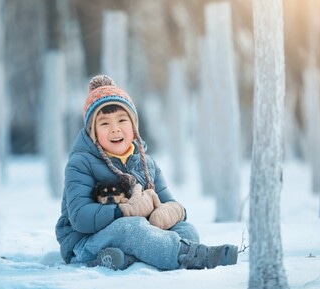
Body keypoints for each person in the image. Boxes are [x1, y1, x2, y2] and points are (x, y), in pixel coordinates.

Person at [55, 75, 238, 271]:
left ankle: (121, 258)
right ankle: (193, 256)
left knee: (186, 229)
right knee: (130, 228)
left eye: (122, 120)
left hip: (141, 232)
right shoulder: (81, 163)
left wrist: (167, 212)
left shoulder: (146, 163)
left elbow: (172, 204)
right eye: (105, 123)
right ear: (93, 131)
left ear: (133, 127)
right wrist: (124, 210)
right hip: (86, 242)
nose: (115, 129)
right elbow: (80, 218)